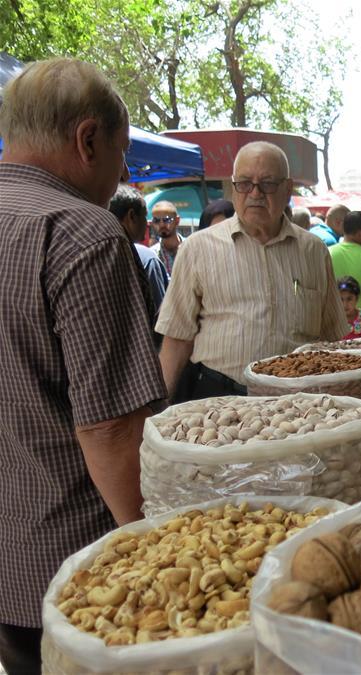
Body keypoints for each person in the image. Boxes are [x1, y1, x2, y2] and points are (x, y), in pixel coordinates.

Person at [0, 58, 168, 672]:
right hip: (81, 567)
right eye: (122, 153)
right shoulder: (82, 233)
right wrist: (162, 550)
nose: (122, 173)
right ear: (88, 139)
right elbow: (110, 428)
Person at [156, 141, 348, 401]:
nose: (255, 193)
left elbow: (331, 337)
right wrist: (159, 406)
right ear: (234, 187)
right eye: (244, 183)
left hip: (300, 403)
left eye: (267, 184)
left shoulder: (314, 251)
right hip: (219, 401)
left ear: (287, 189)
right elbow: (177, 338)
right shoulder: (197, 248)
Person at [108, 183, 170, 331]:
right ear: (131, 216)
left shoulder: (96, 254)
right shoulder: (147, 258)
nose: (147, 224)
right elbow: (161, 320)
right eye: (145, 216)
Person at [150, 199, 182, 276]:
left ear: (177, 221)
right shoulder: (152, 255)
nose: (162, 225)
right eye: (156, 220)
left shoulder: (191, 248)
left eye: (167, 220)